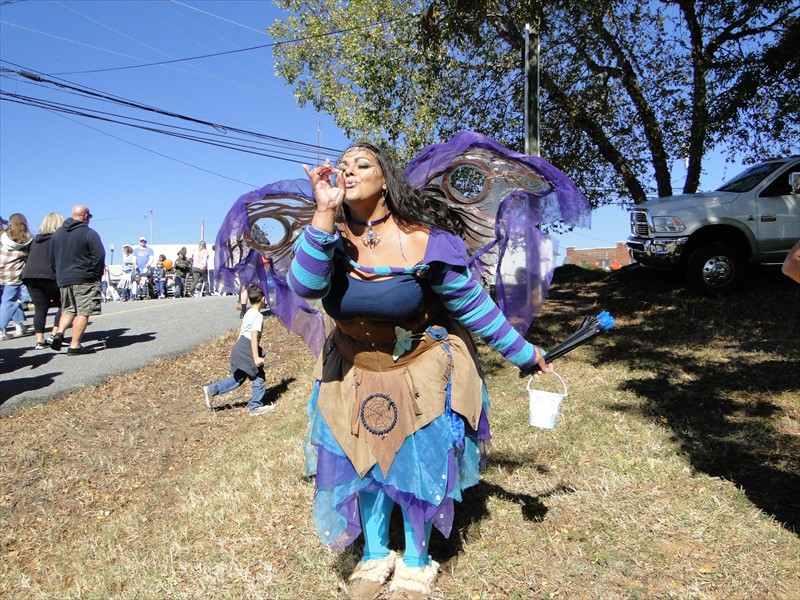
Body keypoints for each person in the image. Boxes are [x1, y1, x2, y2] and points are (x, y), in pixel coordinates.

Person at [288, 144, 552, 599]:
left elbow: (472, 306)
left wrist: (523, 353)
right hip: (352, 367)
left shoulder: (424, 241)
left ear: (385, 179)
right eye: (344, 165)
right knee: (359, 461)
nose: (349, 171)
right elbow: (305, 286)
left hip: (417, 367)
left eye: (362, 164)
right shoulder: (328, 236)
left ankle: (415, 562)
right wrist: (323, 212)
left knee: (416, 465)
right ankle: (374, 555)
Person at [202, 283, 273, 416]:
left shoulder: (248, 313)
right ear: (263, 299)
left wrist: (238, 347)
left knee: (238, 378)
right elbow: (253, 337)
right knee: (258, 377)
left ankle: (212, 390)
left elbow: (241, 332)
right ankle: (255, 407)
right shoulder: (258, 316)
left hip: (239, 345)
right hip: (247, 347)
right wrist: (256, 357)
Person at [49, 204, 105, 355]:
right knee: (83, 311)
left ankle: (59, 333)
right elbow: (99, 256)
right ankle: (75, 345)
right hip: (84, 278)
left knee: (68, 309)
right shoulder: (89, 233)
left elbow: (52, 259)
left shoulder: (57, 234)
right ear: (86, 216)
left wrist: (59, 274)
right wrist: (96, 275)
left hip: (63, 279)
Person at [21, 212, 65, 349]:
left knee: (40, 308)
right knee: (65, 304)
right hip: (48, 275)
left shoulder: (35, 240)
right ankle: (54, 334)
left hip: (30, 276)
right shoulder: (58, 239)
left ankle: (40, 341)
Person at [0, 213, 33, 340]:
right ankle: (1, 329)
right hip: (14, 272)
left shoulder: (3, 236)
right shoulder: (28, 238)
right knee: (10, 301)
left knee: (12, 300)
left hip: (1, 269)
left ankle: (19, 324)